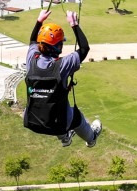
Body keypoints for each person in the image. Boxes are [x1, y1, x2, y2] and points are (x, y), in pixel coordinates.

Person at [23, 9, 102, 147]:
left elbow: (32, 41)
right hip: (58, 123)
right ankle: (91, 139)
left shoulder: (31, 60)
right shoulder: (62, 66)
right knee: (77, 118)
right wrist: (74, 24)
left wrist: (39, 21)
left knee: (53, 106)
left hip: (32, 120)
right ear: (58, 46)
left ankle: (65, 138)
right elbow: (84, 49)